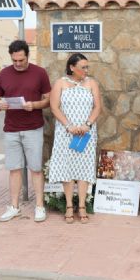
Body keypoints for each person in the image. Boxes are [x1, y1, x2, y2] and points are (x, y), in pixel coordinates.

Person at [0, 40, 51, 223]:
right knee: (14, 169)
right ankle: (14, 207)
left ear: (28, 55)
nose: (18, 64)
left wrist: (33, 105)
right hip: (11, 129)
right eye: (14, 60)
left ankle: (40, 207)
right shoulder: (3, 73)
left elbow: (48, 100)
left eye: (21, 60)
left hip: (33, 128)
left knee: (35, 168)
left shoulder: (40, 73)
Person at [48, 53, 101, 224]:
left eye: (87, 67)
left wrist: (87, 124)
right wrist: (69, 125)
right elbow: (54, 107)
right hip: (65, 133)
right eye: (83, 67)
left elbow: (97, 107)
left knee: (84, 169)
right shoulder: (60, 83)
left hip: (86, 133)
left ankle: (83, 206)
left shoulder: (91, 83)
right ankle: (70, 205)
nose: (86, 70)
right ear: (72, 67)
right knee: (67, 168)